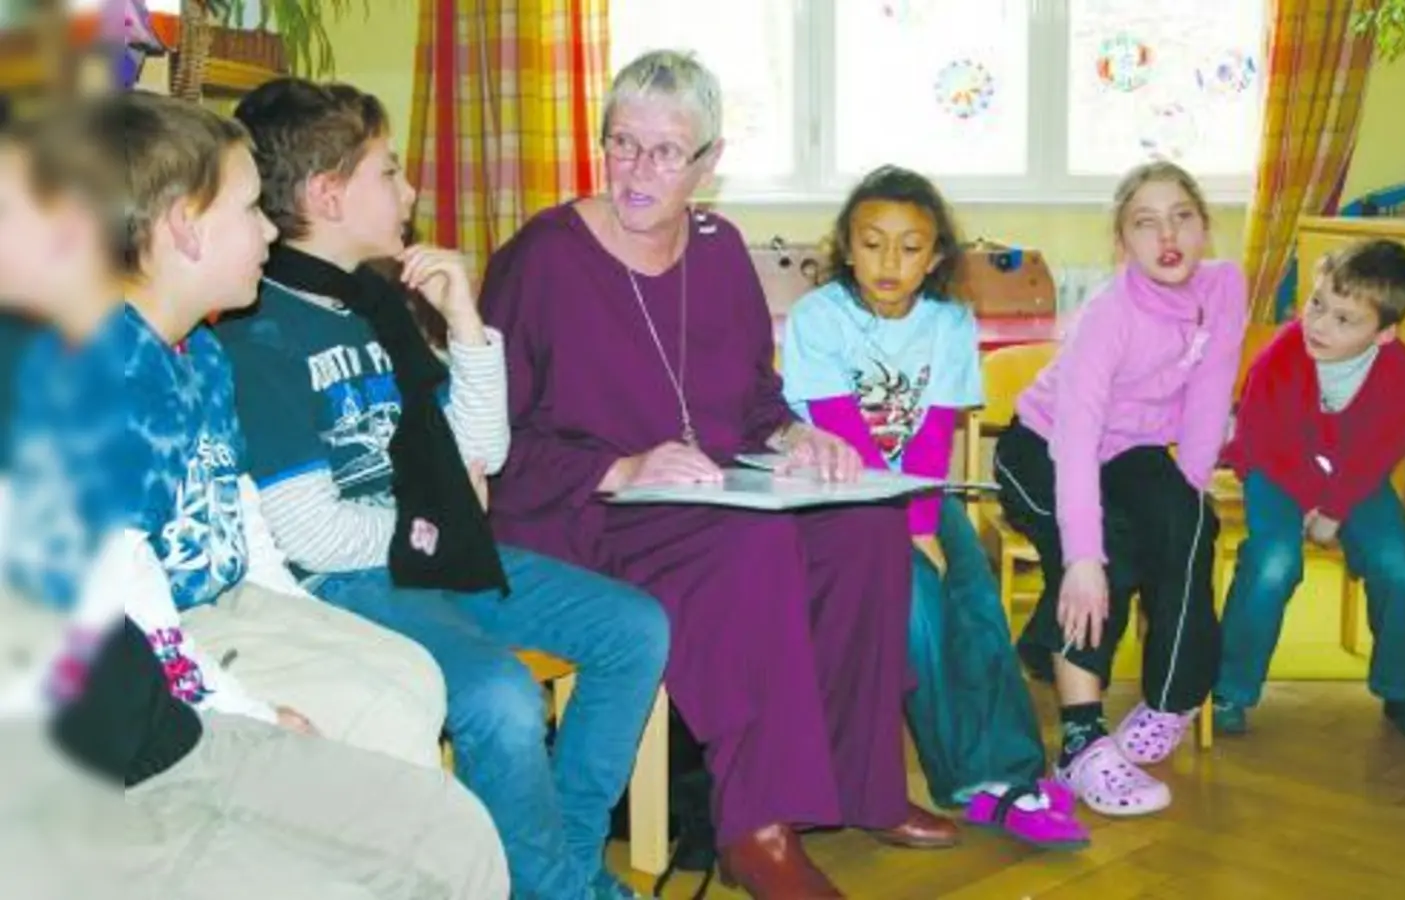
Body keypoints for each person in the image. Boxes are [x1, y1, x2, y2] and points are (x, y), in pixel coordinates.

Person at [0, 91, 507, 900]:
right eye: (248, 209)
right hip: (163, 652)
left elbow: (244, 522)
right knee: (381, 706)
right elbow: (135, 603)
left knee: (410, 679)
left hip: (223, 607)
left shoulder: (202, 353)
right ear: (185, 228)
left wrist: (311, 622)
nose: (270, 230)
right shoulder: (99, 374)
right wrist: (253, 713)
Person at [479, 50, 957, 899]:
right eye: (622, 143)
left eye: (666, 151)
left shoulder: (720, 248)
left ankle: (862, 784)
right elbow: (491, 439)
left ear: (709, 162)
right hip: (587, 509)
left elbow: (753, 397)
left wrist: (798, 437)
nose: (637, 170)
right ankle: (756, 827)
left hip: (706, 493)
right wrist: (621, 465)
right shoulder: (542, 258)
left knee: (863, 526)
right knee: (748, 548)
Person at [215, 77, 669, 900]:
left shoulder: (373, 302)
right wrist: (436, 519)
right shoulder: (259, 329)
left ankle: (559, 873)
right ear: (327, 195)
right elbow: (311, 535)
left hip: (435, 551)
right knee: (501, 697)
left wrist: (465, 325)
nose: (411, 190)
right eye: (389, 172)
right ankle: (563, 887)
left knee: (635, 628)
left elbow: (482, 451)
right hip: (347, 582)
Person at [780, 164, 1086, 847]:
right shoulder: (818, 317)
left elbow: (934, 435)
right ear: (847, 246)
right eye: (872, 243)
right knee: (915, 598)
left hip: (915, 491)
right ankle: (963, 776)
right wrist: (912, 535)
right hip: (833, 496)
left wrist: (923, 523)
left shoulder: (949, 323)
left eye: (910, 246)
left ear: (936, 256)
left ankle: (1006, 773)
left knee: (973, 594)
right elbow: (845, 434)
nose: (889, 262)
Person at [994, 161, 1246, 817]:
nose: (1168, 235)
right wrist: (1084, 555)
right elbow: (1075, 438)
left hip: (1130, 448)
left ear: (1204, 227)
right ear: (1122, 242)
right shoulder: (1109, 315)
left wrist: (1183, 507)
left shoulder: (1225, 287)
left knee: (1192, 521)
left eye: (1182, 217)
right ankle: (1080, 742)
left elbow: (1210, 394)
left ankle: (1170, 698)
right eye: (1145, 222)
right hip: (1043, 445)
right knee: (1103, 552)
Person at [1213, 240, 1405, 741]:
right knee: (1273, 561)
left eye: (1344, 320)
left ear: (1384, 333)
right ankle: (1229, 687)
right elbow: (1260, 437)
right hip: (1278, 470)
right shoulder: (1282, 354)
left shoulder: (1400, 368)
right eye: (1317, 304)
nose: (1319, 325)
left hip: (1352, 479)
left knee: (1399, 561)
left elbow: (1380, 450)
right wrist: (1309, 501)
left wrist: (1334, 508)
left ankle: (1404, 688)